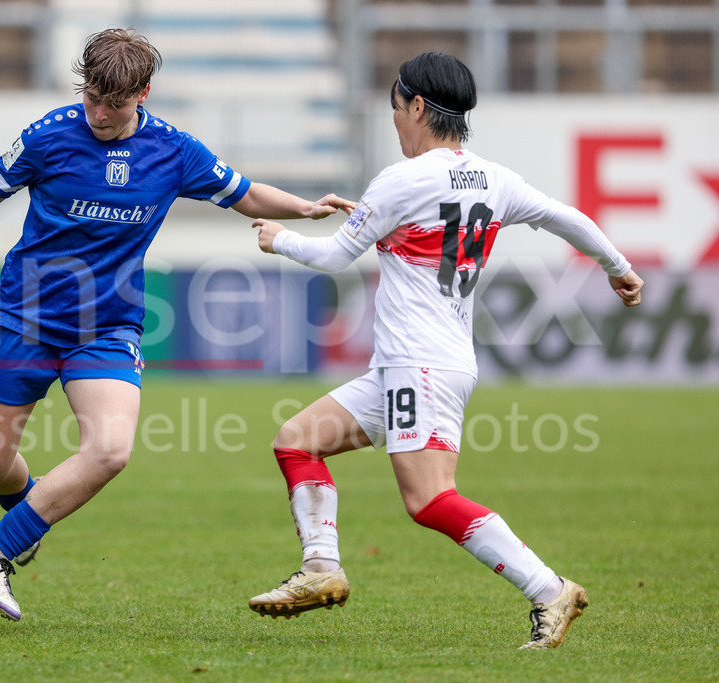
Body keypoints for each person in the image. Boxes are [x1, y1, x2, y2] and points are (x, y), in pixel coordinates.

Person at [0, 27, 354, 622]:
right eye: (90, 97)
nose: (98, 113)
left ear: (142, 92)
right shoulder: (49, 135)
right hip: (22, 318)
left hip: (106, 327)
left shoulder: (174, 151)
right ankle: (26, 520)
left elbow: (244, 194)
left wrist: (304, 207)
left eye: (113, 103)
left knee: (110, 450)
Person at [247, 52, 643, 649]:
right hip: (426, 360)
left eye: (396, 110)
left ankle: (548, 588)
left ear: (415, 106)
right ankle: (321, 569)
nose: (396, 124)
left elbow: (332, 258)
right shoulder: (494, 178)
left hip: (419, 363)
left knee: (430, 498)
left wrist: (280, 240)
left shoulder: (401, 179)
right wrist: (619, 268)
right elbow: (567, 218)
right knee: (297, 440)